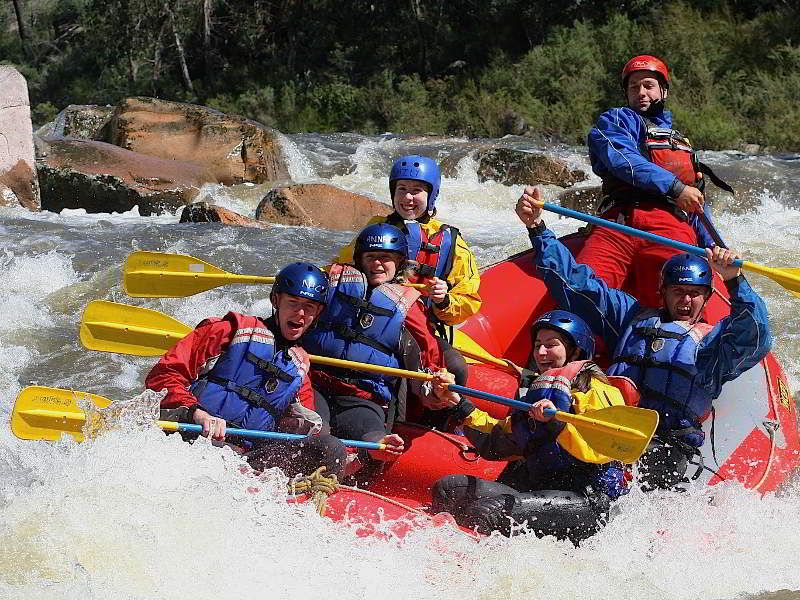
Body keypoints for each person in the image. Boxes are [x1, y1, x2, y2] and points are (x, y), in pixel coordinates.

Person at [516, 189, 772, 489]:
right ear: (663, 292)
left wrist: (734, 280)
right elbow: (576, 284)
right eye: (678, 291)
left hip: (665, 447)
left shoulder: (713, 346)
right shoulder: (631, 317)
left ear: (707, 297)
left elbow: (756, 334)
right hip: (606, 429)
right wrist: (537, 228)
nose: (686, 300)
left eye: (694, 294)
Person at [431, 310, 631, 543]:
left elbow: (602, 451)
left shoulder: (598, 391)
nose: (541, 352)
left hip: (587, 502)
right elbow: (497, 441)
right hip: (540, 490)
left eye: (551, 345)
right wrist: (458, 404)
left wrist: (556, 421)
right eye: (537, 345)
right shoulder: (537, 394)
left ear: (575, 351)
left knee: (488, 513)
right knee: (448, 489)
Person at [145, 262, 348, 478]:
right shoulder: (228, 331)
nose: (300, 314)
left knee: (330, 448)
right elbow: (164, 375)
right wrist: (197, 413)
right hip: (192, 436)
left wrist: (361, 454)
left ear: (318, 313)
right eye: (293, 302)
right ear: (276, 300)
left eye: (309, 307)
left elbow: (306, 433)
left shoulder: (299, 370)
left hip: (248, 459)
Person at [579, 54, 730, 307]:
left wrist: (715, 245)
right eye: (633, 87)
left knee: (683, 301)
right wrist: (676, 187)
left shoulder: (682, 144)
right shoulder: (617, 120)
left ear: (664, 91)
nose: (641, 92)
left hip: (671, 227)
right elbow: (622, 159)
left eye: (648, 85)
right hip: (620, 223)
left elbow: (696, 205)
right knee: (583, 293)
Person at [305, 222, 461, 467]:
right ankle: (320, 453)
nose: (378, 263)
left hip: (364, 397)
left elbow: (428, 363)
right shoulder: (331, 286)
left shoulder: (408, 308)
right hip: (315, 384)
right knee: (317, 430)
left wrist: (439, 391)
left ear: (399, 262)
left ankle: (375, 452)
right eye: (371, 257)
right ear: (360, 260)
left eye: (386, 258)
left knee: (373, 437)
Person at [335, 155, 480, 386]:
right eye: (401, 189)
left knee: (456, 368)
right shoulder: (375, 230)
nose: (408, 198)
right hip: (372, 318)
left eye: (417, 190)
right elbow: (341, 269)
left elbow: (469, 300)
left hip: (419, 326)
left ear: (431, 195)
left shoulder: (452, 242)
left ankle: (439, 417)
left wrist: (444, 300)